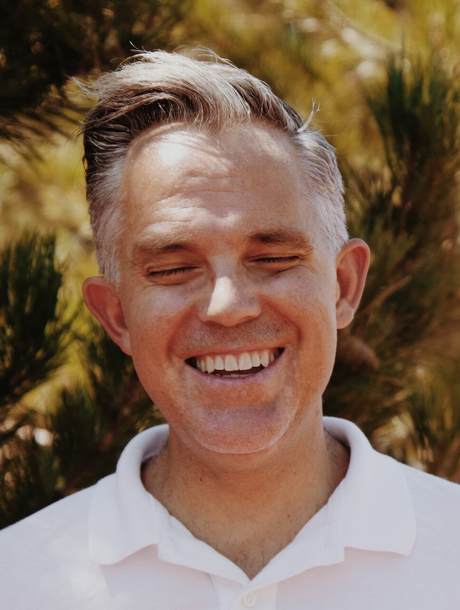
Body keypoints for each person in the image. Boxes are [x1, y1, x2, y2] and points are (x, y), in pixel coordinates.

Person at [1, 49, 459, 610]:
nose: (228, 305)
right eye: (173, 269)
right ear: (116, 316)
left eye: (273, 259)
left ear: (343, 285)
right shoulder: (17, 582)